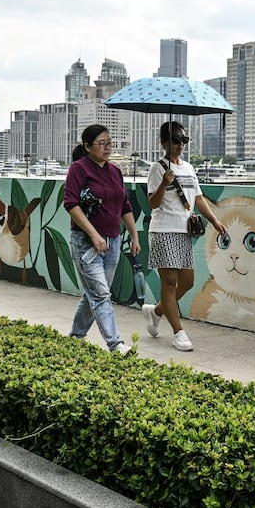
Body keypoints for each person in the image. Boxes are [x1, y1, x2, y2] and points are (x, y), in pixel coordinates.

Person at [143, 122, 227, 351]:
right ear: (163, 142)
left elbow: (198, 198)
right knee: (169, 283)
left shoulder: (189, 168)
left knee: (187, 282)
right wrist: (164, 183)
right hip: (163, 230)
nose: (180, 145)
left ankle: (157, 311)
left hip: (184, 231)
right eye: (175, 140)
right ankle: (178, 333)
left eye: (183, 140)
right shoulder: (157, 168)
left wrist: (214, 221)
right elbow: (152, 202)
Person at [63, 124, 140, 355]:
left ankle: (76, 337)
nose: (107, 147)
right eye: (101, 143)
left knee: (95, 293)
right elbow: (71, 204)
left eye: (109, 142)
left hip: (113, 242)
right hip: (86, 242)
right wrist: (93, 234)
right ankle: (115, 345)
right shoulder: (79, 169)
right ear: (87, 147)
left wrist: (134, 236)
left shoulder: (115, 171)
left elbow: (124, 206)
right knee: (100, 294)